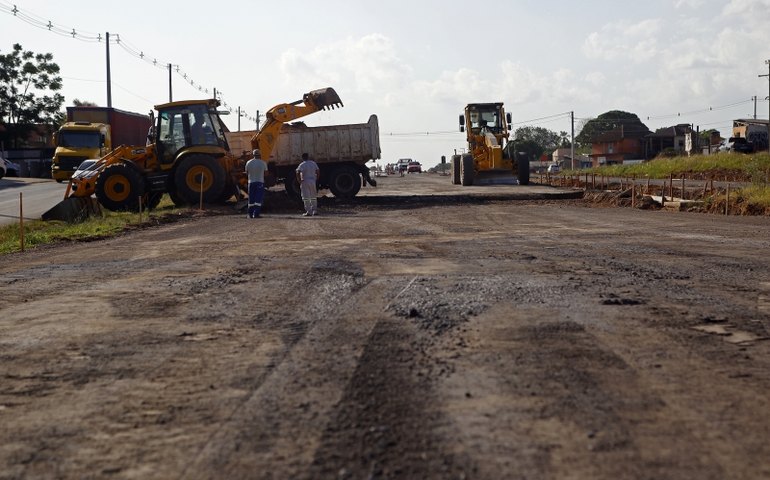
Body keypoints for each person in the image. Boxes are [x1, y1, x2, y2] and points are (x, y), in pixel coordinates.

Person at [245, 149, 268, 218]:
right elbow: (266, 173)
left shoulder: (248, 162)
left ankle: (250, 214)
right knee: (258, 198)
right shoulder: (263, 163)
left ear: (253, 155)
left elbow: (246, 173)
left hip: (251, 182)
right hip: (260, 182)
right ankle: (256, 214)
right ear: (260, 155)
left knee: (251, 198)